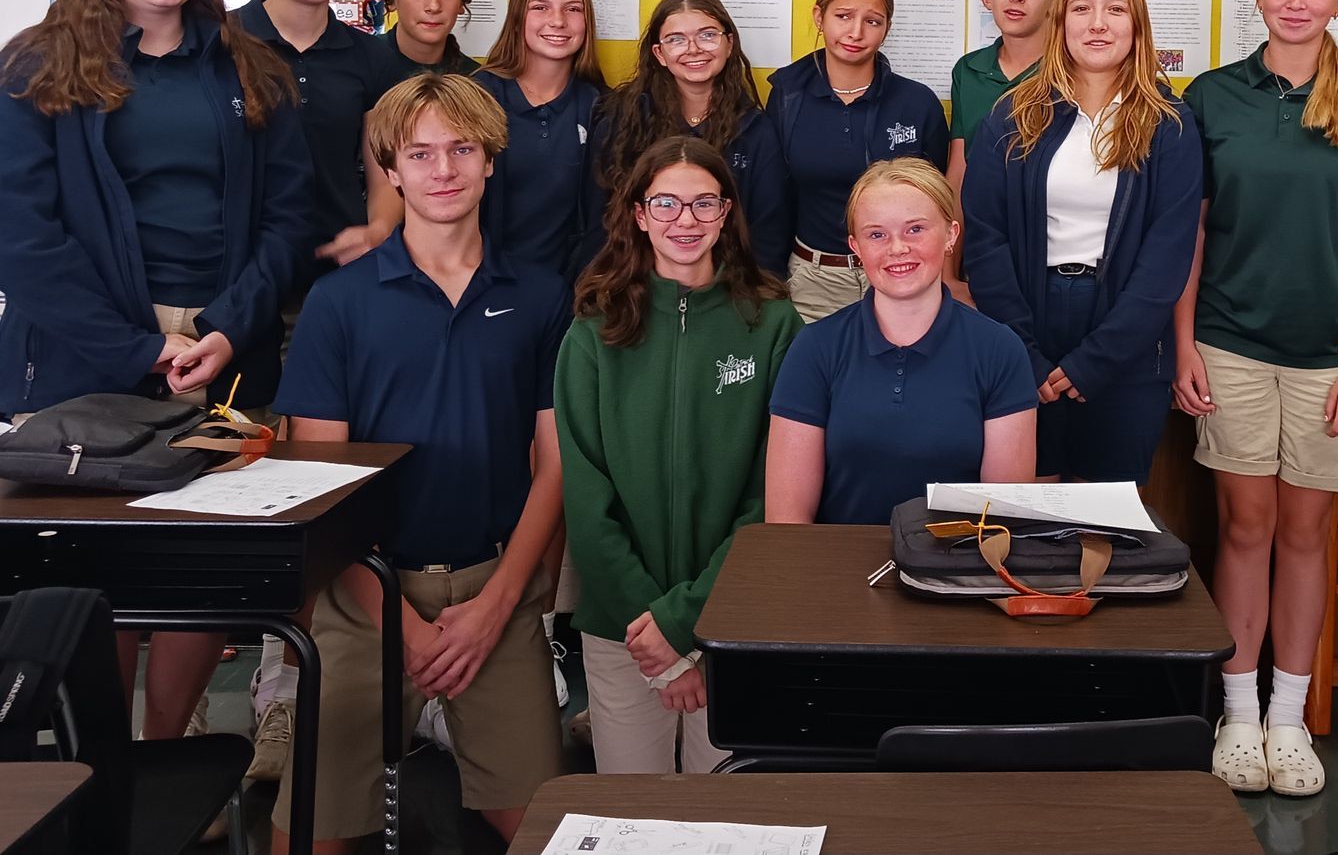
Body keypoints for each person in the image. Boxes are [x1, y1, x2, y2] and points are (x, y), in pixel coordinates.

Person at [0, 0, 309, 745]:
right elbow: (24, 242)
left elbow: (288, 220)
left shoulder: (250, 65)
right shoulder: (35, 67)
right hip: (84, 357)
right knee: (98, 580)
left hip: (226, 348)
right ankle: (99, 770)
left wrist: (222, 330)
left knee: (200, 571)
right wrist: (142, 346)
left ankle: (166, 758)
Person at [270, 72, 567, 854]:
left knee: (550, 829)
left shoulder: (539, 296)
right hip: (365, 591)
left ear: (490, 161)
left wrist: (501, 604)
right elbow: (318, 486)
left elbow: (556, 466)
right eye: (421, 153)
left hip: (492, 591)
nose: (443, 169)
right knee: (310, 830)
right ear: (392, 171)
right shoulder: (341, 303)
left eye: (462, 149)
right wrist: (400, 623)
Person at [1175, 0, 1338, 797]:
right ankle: (1238, 715)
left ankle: (1289, 717)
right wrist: (1183, 340)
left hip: (1331, 357)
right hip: (1230, 342)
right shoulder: (1212, 97)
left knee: (1308, 532)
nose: (1297, 2)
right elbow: (1189, 232)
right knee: (1244, 525)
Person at [233, 0, 415, 779]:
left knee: (320, 494)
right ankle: (256, 701)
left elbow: (389, 157)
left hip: (337, 294)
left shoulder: (366, 56)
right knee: (249, 494)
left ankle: (291, 702)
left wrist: (381, 231)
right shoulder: (224, 41)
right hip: (241, 298)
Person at [558, 136, 801, 773]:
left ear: (727, 213)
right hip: (622, 627)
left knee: (723, 818)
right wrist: (657, 632)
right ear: (638, 214)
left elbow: (773, 491)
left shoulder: (773, 323)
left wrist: (691, 625)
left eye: (703, 205)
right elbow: (586, 498)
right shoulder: (593, 328)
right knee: (631, 817)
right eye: (665, 204)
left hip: (733, 621)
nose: (685, 222)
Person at [963, 0, 1200, 484]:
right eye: (1082, 8)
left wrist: (1099, 358)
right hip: (1027, 324)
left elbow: (1168, 254)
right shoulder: (1011, 115)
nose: (1098, 24)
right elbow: (985, 238)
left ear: (1137, 25)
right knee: (1025, 516)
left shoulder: (1171, 126)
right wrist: (1022, 351)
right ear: (1059, 21)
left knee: (1107, 525)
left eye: (1115, 9)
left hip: (1129, 341)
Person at [766, 158, 1036, 524]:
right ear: (855, 246)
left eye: (915, 229)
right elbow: (787, 524)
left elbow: (1003, 521)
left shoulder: (1000, 351)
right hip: (832, 570)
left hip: (954, 573)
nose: (897, 248)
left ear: (951, 235)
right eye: (876, 234)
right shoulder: (814, 349)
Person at [235, 0, 410, 278]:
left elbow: (385, 169)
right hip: (233, 275)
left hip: (334, 273)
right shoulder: (221, 41)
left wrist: (378, 230)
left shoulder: (372, 58)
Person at [768, 0, 949, 322]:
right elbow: (774, 199)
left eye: (872, 21)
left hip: (902, 273)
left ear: (887, 28)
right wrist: (768, 279)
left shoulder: (917, 103)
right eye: (843, 16)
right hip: (813, 281)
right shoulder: (788, 96)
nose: (855, 32)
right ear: (819, 17)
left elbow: (939, 205)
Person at [591, 0, 791, 274]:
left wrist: (752, 302)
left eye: (708, 35)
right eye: (676, 40)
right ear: (659, 54)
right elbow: (598, 223)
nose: (694, 48)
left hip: (726, 287)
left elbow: (768, 236)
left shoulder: (756, 131)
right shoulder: (621, 121)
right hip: (634, 283)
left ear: (729, 44)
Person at [945, 0, 1070, 294]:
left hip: (1054, 268)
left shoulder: (1073, 72)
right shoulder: (969, 71)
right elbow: (958, 174)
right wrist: (949, 274)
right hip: (982, 263)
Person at [472, 0, 609, 280]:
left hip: (572, 292)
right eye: (541, 7)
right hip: (486, 285)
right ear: (518, 18)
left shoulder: (603, 108)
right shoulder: (476, 98)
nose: (558, 21)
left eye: (573, 9)